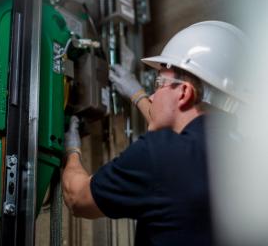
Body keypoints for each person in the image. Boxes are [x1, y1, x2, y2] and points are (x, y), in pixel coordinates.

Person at [62, 21, 247, 246]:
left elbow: (76, 198)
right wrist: (136, 93)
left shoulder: (159, 154)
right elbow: (184, 144)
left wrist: (72, 150)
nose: (152, 96)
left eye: (159, 83)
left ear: (185, 92)